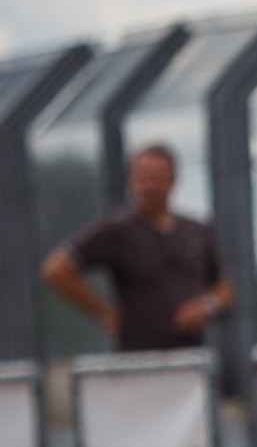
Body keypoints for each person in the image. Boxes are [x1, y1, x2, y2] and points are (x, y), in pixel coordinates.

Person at [40, 144, 234, 351]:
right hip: (137, 357)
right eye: (144, 175)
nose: (151, 182)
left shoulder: (198, 231)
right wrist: (105, 312)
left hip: (192, 355)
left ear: (173, 179)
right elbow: (55, 270)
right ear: (131, 180)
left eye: (158, 175)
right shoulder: (117, 231)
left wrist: (207, 306)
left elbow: (225, 288)